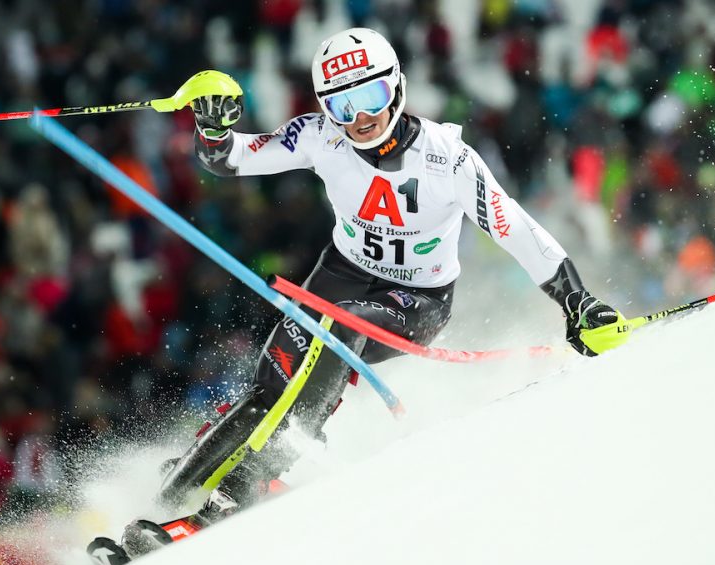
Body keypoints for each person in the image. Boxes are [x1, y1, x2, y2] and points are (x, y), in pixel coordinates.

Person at [161, 28, 631, 525]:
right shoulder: (320, 136)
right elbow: (230, 159)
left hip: (416, 299)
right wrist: (212, 128)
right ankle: (182, 486)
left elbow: (512, 226)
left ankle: (257, 474)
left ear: (397, 89)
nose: (361, 118)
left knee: (338, 328)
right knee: (272, 380)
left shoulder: (446, 158)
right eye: (343, 106)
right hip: (339, 276)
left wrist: (575, 301)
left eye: (371, 97)